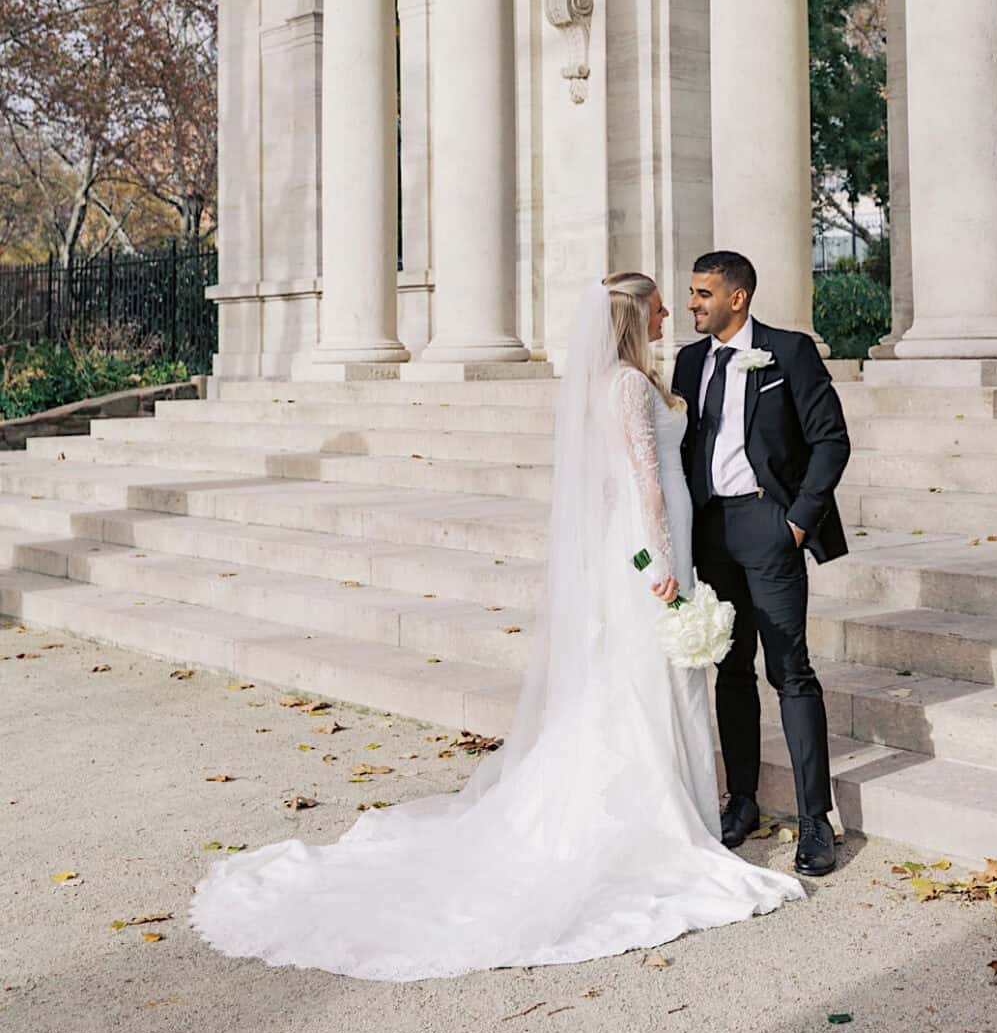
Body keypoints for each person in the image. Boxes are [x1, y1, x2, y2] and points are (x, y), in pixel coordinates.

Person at [190, 274, 803, 978]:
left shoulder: (623, 380)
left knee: (640, 676)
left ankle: (676, 807)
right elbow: (642, 481)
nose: (672, 312)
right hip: (654, 548)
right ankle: (664, 818)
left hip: (642, 545)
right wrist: (659, 562)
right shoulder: (630, 387)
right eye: (661, 304)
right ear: (636, 317)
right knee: (647, 676)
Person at [672, 249, 851, 877]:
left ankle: (814, 822)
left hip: (769, 525)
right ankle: (741, 802)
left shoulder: (788, 351)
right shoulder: (689, 361)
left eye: (701, 294)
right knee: (730, 671)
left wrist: (798, 520)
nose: (692, 303)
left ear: (736, 297)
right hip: (710, 533)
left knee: (790, 672)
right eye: (692, 294)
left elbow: (831, 438)